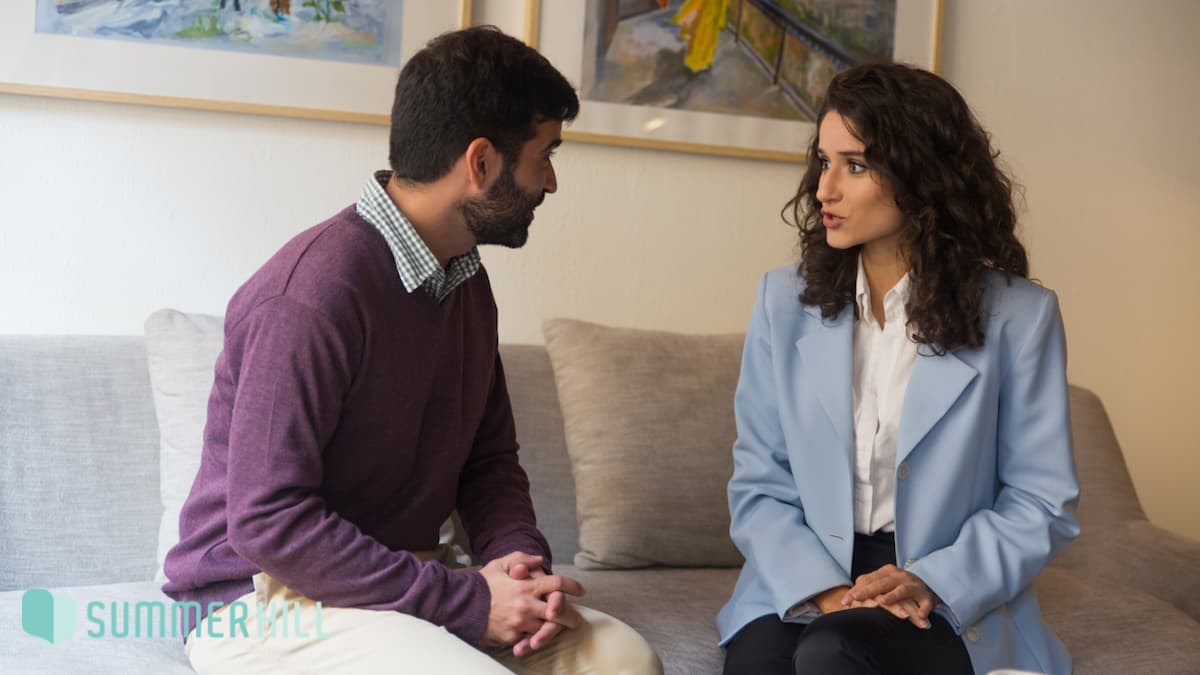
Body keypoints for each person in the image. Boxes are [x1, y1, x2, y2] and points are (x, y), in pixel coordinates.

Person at [162, 26, 663, 675]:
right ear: (480, 162)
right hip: (262, 599)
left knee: (624, 659)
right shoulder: (310, 296)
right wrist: (464, 599)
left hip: (403, 583)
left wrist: (515, 562)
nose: (551, 181)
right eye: (545, 154)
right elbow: (268, 521)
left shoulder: (466, 282)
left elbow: (489, 461)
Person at [717, 62, 1080, 675]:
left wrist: (928, 582)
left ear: (922, 178)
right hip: (807, 570)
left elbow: (1041, 502)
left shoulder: (1021, 317)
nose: (823, 189)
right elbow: (759, 484)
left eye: (854, 165)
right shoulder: (783, 302)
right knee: (766, 663)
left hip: (941, 587)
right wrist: (828, 595)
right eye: (823, 161)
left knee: (833, 654)